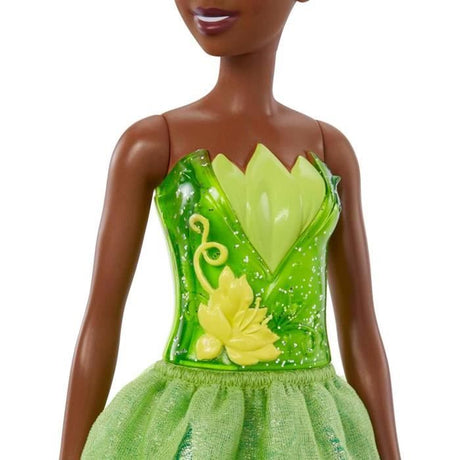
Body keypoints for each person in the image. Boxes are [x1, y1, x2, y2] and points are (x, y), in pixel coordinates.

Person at [60, 1, 401, 458]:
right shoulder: (154, 144)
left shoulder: (329, 150)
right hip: (197, 428)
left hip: (311, 432)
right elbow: (102, 319)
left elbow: (360, 327)